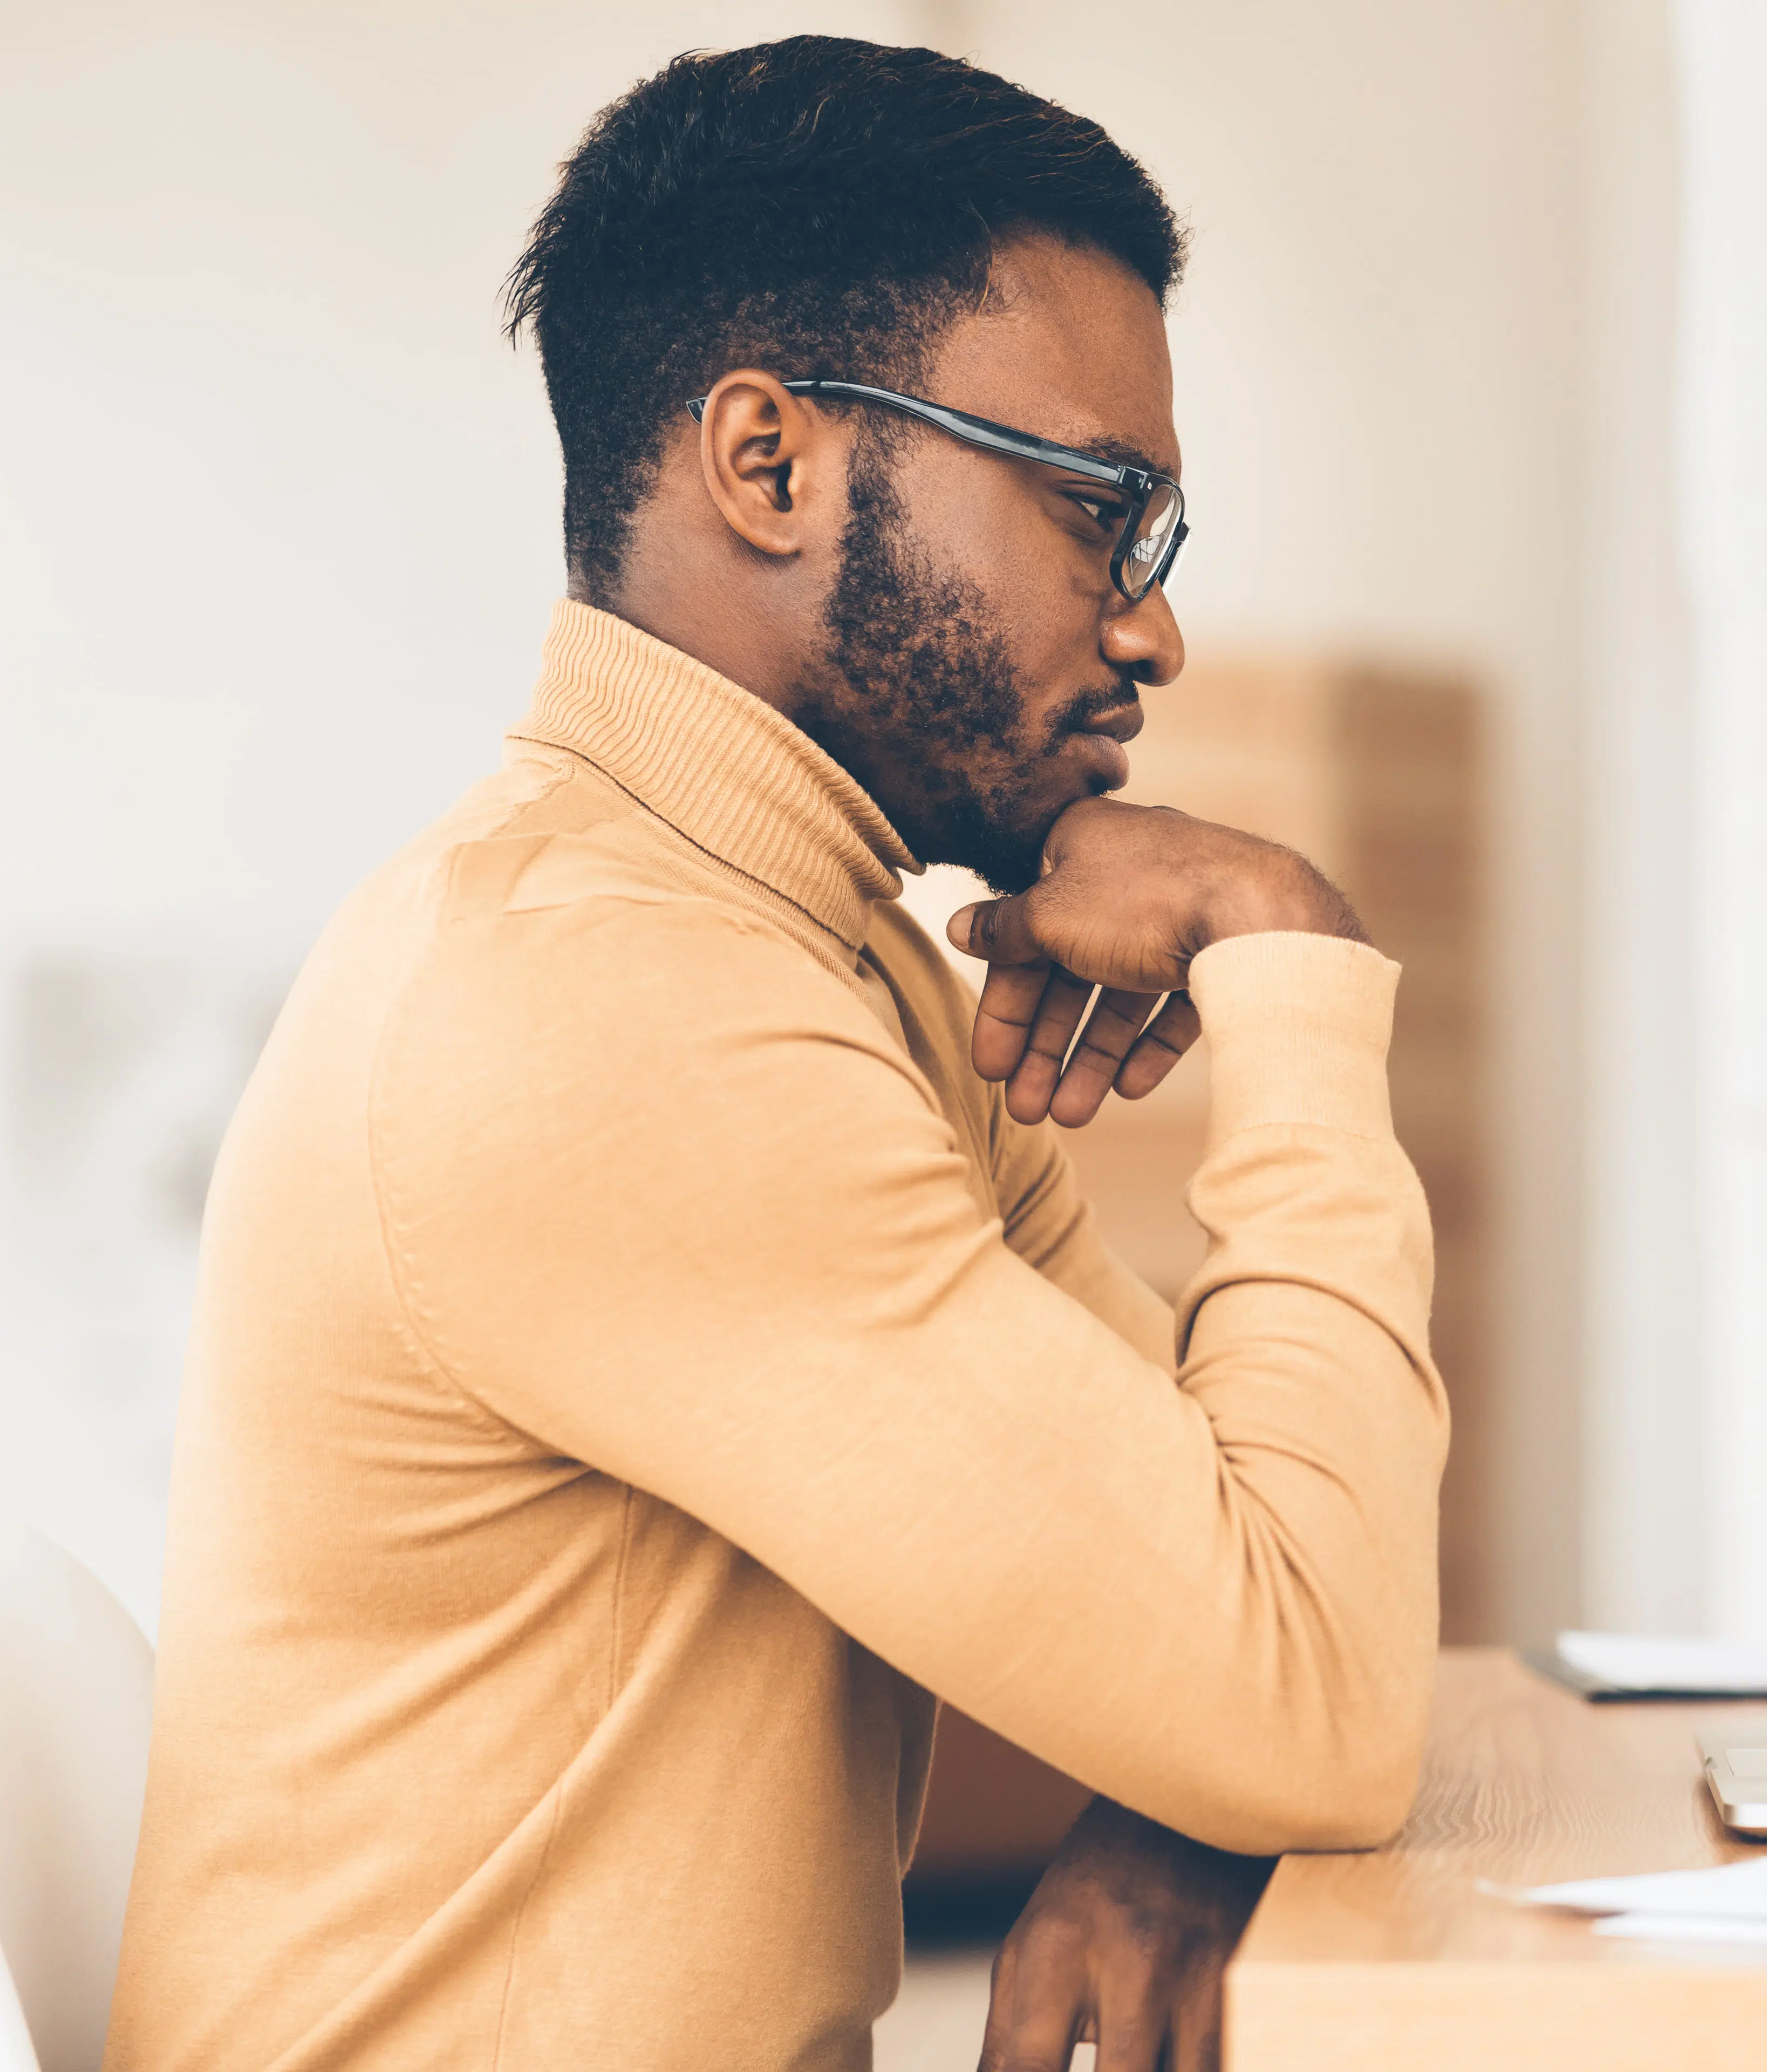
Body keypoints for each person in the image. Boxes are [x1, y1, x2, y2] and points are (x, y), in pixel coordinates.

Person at [104, 37, 1443, 2072]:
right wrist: (1287, 945)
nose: (1156, 631)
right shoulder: (610, 1003)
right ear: (770, 463)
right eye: (1104, 512)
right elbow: (1313, 1688)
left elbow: (1252, 1576)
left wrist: (1185, 1801)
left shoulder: (800, 958)